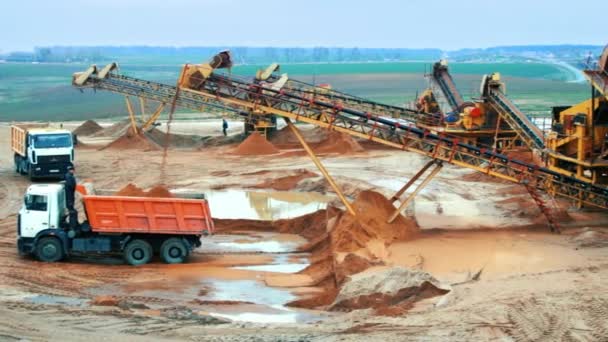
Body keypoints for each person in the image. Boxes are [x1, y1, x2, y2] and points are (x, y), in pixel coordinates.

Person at [64, 164, 78, 230]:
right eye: (72, 170)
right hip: (70, 194)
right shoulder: (69, 176)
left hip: (70, 194)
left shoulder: (69, 176)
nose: (73, 171)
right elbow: (71, 185)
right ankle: (72, 224)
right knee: (71, 208)